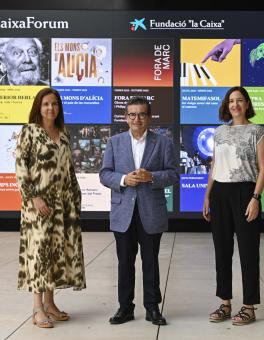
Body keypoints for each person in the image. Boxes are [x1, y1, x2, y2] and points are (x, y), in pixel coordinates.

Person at [99, 97, 179, 326]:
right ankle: (125, 308)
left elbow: (173, 175)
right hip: (123, 212)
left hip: (151, 212)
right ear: (126, 118)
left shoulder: (163, 143)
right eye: (132, 114)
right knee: (125, 262)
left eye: (142, 114)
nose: (137, 119)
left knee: (150, 261)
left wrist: (151, 177)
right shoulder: (114, 142)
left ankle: (152, 308)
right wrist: (124, 179)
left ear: (149, 117)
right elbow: (104, 174)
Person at [15, 87, 86, 328]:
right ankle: (37, 308)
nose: (50, 108)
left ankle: (50, 303)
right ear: (38, 107)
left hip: (62, 205)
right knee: (39, 254)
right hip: (38, 206)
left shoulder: (63, 134)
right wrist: (33, 198)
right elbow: (21, 169)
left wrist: (76, 199)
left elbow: (70, 171)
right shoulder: (30, 132)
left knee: (57, 253)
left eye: (54, 104)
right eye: (46, 104)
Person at [202, 86, 264, 325]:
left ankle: (249, 306)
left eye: (240, 100)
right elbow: (215, 166)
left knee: (249, 251)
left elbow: (263, 168)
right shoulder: (219, 132)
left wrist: (255, 198)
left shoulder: (256, 131)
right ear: (226, 105)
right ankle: (225, 303)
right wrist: (208, 195)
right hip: (220, 192)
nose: (235, 105)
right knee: (222, 250)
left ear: (247, 104)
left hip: (245, 193)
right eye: (231, 101)